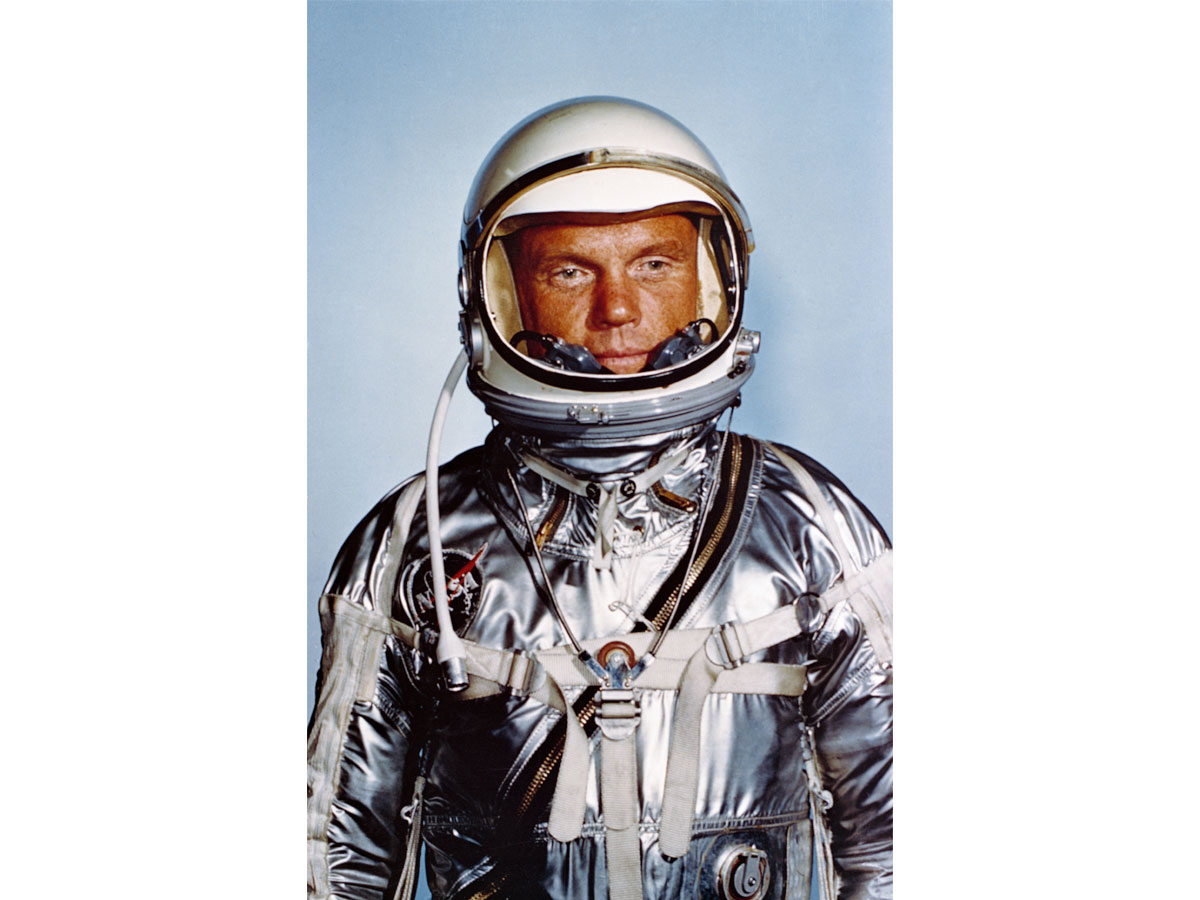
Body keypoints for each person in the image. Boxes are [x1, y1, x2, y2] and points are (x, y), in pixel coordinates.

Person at [308, 97, 893, 900]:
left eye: (654, 264)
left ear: (709, 281)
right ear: (500, 299)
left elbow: (895, 845)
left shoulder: (810, 527)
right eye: (570, 270)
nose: (617, 310)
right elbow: (335, 856)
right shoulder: (418, 543)